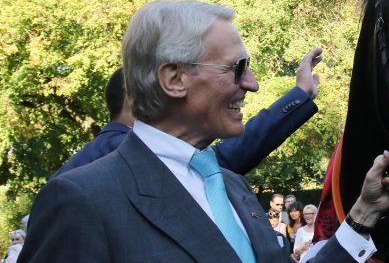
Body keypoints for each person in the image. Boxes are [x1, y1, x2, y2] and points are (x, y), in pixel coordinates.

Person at [2, 0, 389, 263]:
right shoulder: (82, 203)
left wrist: (365, 213)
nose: (252, 83)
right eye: (237, 68)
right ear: (174, 79)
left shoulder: (234, 190)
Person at [56, 60, 320, 178]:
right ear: (134, 99)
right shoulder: (121, 154)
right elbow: (224, 159)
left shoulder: (102, 153)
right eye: (162, 89)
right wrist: (299, 95)